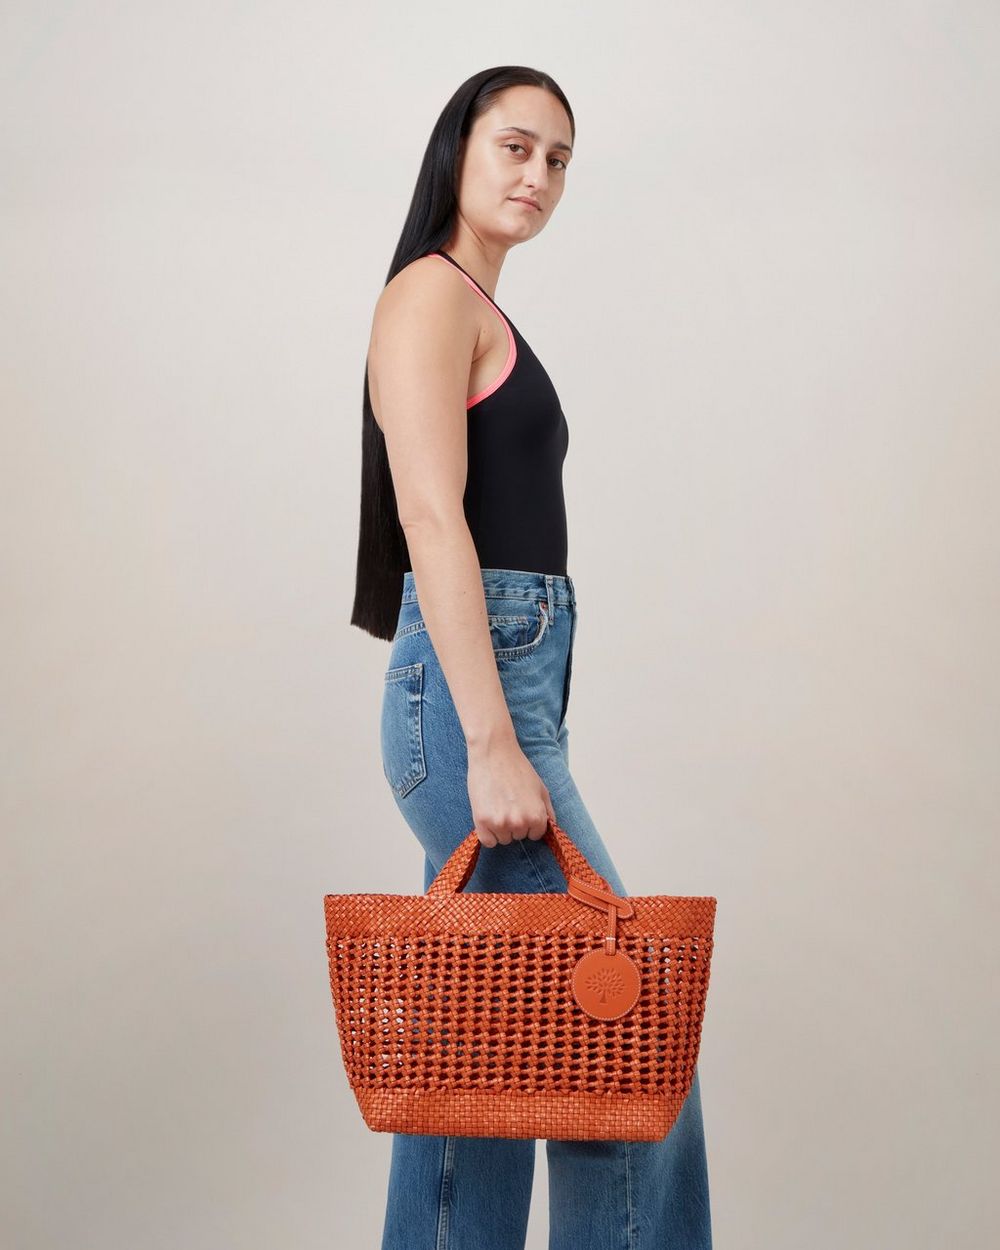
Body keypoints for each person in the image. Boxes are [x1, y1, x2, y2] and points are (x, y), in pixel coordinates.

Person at [351, 65, 712, 1250]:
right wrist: (495, 741)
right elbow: (431, 515)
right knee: (620, 1023)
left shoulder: (474, 303)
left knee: (482, 1052)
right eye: (515, 146)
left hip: (503, 690)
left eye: (558, 159)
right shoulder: (429, 294)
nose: (538, 176)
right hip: (472, 707)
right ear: (458, 148)